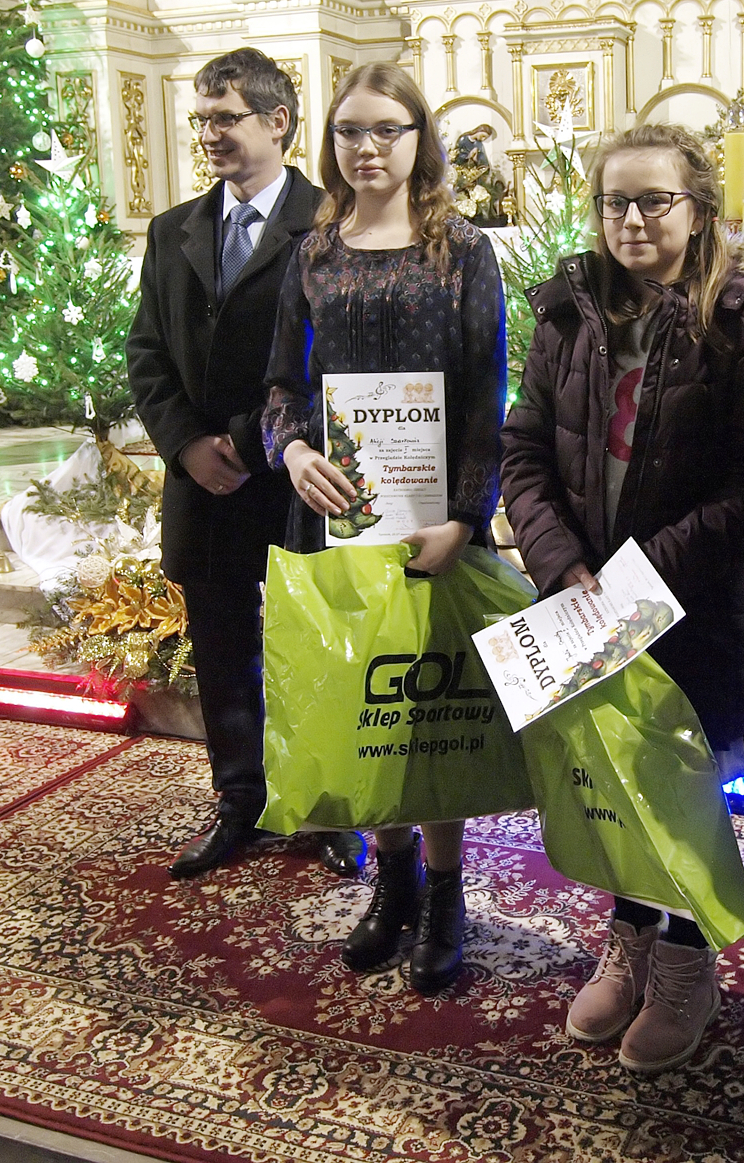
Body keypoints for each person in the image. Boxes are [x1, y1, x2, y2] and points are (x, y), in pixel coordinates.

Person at [501, 123, 744, 1074]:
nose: (631, 219)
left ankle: (685, 964)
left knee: (686, 789)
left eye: (654, 200)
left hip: (689, 601)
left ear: (697, 209)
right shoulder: (566, 312)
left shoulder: (739, 315)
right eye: (614, 202)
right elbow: (524, 450)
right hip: (585, 601)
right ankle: (629, 940)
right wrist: (559, 563)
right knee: (614, 784)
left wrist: (649, 572)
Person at [261, 62, 506, 995]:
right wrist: (292, 451)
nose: (366, 148)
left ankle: (445, 893)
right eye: (349, 131)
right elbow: (281, 386)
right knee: (363, 705)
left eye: (386, 130)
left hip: (433, 521)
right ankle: (391, 879)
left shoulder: (463, 250)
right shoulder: (312, 253)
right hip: (335, 512)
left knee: (428, 711)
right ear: (329, 143)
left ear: (418, 140)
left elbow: (486, 399)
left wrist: (466, 518)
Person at [127, 48, 363, 882]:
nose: (209, 135)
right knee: (223, 650)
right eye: (202, 120)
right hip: (203, 479)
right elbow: (147, 352)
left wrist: (243, 435)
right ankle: (241, 802)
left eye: (225, 118)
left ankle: (329, 805)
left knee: (314, 649)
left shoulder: (333, 221)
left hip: (295, 473)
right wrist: (188, 445)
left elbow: (339, 357)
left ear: (278, 121)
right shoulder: (173, 230)